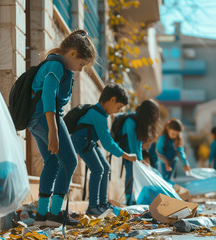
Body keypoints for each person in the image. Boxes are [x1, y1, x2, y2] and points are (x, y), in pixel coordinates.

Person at [29, 29, 96, 227]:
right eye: (81, 64)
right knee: (69, 161)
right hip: (46, 116)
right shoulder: (56, 65)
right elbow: (48, 97)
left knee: (52, 162)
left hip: (36, 119)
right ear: (73, 53)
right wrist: (53, 131)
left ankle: (42, 216)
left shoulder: (54, 63)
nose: (80, 69)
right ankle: (55, 214)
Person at [70, 84, 138, 216]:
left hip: (88, 142)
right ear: (112, 100)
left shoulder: (99, 113)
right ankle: (93, 207)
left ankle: (103, 203)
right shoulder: (98, 115)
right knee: (98, 169)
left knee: (105, 167)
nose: (117, 111)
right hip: (81, 141)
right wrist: (126, 156)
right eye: (118, 107)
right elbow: (108, 143)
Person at [121, 99, 160, 205]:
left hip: (133, 152)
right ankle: (128, 201)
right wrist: (136, 158)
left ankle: (138, 199)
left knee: (136, 175)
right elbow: (131, 142)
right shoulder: (131, 121)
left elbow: (138, 143)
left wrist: (140, 158)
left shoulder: (139, 122)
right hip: (127, 152)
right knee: (130, 175)